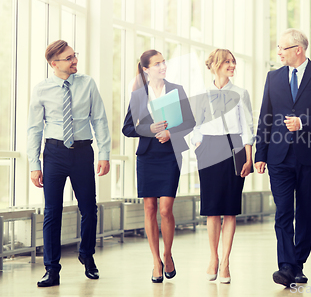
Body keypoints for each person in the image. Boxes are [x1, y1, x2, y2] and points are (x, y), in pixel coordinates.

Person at [255, 29, 311, 287]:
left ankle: (297, 263)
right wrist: (260, 153)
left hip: (309, 156)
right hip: (278, 156)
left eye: (282, 48)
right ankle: (286, 266)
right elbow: (265, 117)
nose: (278, 52)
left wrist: (303, 122)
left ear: (298, 50)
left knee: (305, 212)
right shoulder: (273, 77)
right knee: (283, 212)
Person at [27, 40, 111, 287]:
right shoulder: (41, 89)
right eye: (69, 58)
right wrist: (34, 163)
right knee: (52, 212)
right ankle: (51, 269)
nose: (75, 61)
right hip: (53, 153)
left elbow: (100, 119)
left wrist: (104, 153)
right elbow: (34, 128)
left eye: (75, 56)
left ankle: (87, 254)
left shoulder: (87, 83)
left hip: (83, 152)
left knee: (89, 208)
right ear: (54, 64)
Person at [122, 50, 195, 283]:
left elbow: (190, 121)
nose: (163, 66)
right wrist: (150, 130)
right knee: (150, 209)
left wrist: (170, 132)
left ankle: (168, 253)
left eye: (164, 62)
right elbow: (127, 128)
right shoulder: (138, 95)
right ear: (146, 69)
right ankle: (156, 261)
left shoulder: (176, 89)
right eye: (157, 64)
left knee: (165, 209)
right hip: (147, 156)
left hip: (170, 155)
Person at [192, 48, 254, 284]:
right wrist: (198, 144)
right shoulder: (202, 94)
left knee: (229, 209)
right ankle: (213, 258)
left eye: (233, 62)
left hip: (234, 148)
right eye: (227, 62)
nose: (232, 65)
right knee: (212, 209)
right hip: (208, 148)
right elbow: (194, 125)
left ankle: (226, 261)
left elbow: (247, 127)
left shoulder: (240, 93)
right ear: (216, 65)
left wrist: (248, 158)